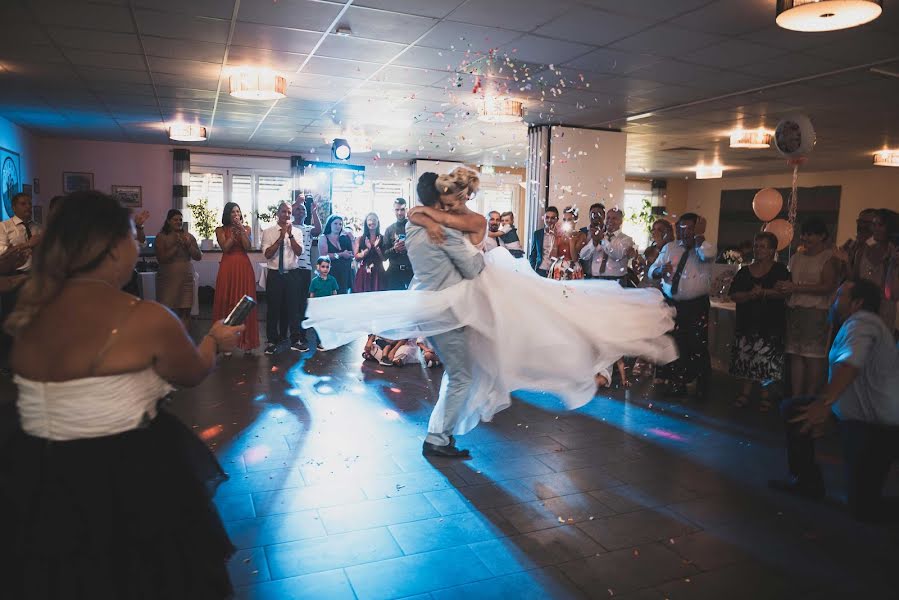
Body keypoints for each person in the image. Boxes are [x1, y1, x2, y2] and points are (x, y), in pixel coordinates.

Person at [304, 170, 678, 452]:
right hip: (450, 308)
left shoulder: (415, 227)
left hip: (436, 303)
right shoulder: (441, 231)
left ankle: (445, 428)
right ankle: (438, 436)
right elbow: (472, 268)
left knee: (468, 368)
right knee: (465, 373)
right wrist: (487, 257)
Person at [0, 191, 244, 598]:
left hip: (38, 475)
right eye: (134, 234)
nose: (139, 243)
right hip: (125, 477)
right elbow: (194, 372)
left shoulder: (27, 309)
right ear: (112, 247)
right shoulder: (145, 317)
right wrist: (216, 339)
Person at [770, 279, 899, 522]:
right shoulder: (857, 323)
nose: (833, 300)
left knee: (864, 508)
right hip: (856, 417)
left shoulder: (862, 322)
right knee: (794, 409)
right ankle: (807, 482)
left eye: (840, 295)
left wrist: (824, 404)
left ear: (857, 303)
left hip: (878, 428)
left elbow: (850, 363)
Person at [649, 213, 716, 399]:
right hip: (673, 304)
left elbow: (707, 255)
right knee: (676, 344)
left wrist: (699, 238)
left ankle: (703, 385)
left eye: (688, 228)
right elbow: (651, 270)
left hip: (696, 305)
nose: (683, 232)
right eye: (680, 228)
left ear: (697, 229)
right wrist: (660, 270)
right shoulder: (670, 247)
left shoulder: (705, 247)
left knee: (697, 344)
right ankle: (678, 382)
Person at [775, 218, 840, 397]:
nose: (805, 237)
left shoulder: (828, 258)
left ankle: (810, 397)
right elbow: (792, 283)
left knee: (813, 357)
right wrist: (784, 287)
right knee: (795, 355)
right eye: (803, 234)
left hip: (816, 313)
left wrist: (796, 287)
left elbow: (828, 287)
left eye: (810, 234)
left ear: (822, 236)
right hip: (794, 310)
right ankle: (796, 397)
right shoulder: (796, 257)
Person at [729, 232, 790, 410]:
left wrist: (764, 292)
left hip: (771, 322)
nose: (758, 249)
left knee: (767, 361)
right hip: (747, 321)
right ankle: (745, 393)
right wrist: (749, 294)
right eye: (756, 245)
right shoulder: (744, 272)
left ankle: (766, 395)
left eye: (763, 246)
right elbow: (733, 294)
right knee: (747, 359)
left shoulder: (780, 270)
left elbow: (786, 292)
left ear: (772, 250)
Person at [212, 202, 259, 354]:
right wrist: (233, 235)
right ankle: (226, 343)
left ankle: (247, 342)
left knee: (244, 303)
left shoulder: (247, 228)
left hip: (243, 267)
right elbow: (225, 247)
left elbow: (248, 247)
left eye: (238, 212)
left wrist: (242, 231)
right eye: (232, 212)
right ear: (227, 214)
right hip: (228, 267)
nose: (236, 214)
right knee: (227, 301)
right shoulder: (220, 230)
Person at [261, 202, 304, 355]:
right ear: (277, 213)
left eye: (289, 212)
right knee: (273, 309)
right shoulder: (268, 232)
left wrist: (290, 235)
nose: (286, 214)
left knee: (294, 308)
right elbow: (267, 254)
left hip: (292, 274)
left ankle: (295, 340)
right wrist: (280, 237)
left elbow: (299, 252)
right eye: (283, 211)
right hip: (275, 274)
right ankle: (272, 341)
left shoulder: (297, 232)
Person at [849, 209, 897, 332]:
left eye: (880, 225)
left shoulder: (894, 255)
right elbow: (854, 280)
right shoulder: (862, 252)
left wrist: (891, 262)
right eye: (873, 224)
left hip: (883, 309)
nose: (874, 229)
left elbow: (891, 293)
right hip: (862, 307)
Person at [154, 209, 202, 331]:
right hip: (167, 280)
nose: (179, 222)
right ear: (168, 221)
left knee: (186, 311)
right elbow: (161, 259)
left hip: (186, 279)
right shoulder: (161, 237)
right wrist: (176, 245)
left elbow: (198, 256)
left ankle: (185, 342)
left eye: (180, 219)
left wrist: (188, 245)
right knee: (168, 312)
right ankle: (168, 342)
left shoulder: (188, 236)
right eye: (175, 219)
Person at [285, 197, 322, 352]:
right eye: (297, 209)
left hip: (305, 269)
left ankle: (302, 335)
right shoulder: (289, 227)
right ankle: (293, 336)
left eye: (303, 209)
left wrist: (314, 211)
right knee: (292, 304)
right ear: (293, 211)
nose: (300, 211)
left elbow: (319, 230)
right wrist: (297, 202)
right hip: (292, 268)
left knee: (303, 303)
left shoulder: (307, 229)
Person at [580, 207, 633, 283]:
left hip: (616, 280)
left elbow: (617, 255)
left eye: (614, 218)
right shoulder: (599, 236)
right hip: (595, 279)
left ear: (620, 221)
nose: (610, 221)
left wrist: (602, 240)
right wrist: (594, 243)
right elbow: (583, 256)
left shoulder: (626, 239)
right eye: (608, 218)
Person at [318, 214, 354, 294]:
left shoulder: (344, 238)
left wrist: (352, 239)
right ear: (330, 224)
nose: (338, 226)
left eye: (340, 224)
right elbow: (323, 256)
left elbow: (354, 253)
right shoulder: (324, 237)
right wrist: (341, 254)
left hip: (345, 275)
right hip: (331, 273)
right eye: (335, 223)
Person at [309, 256, 339, 350]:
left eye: (327, 267)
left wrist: (335, 305)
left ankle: (327, 341)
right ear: (318, 267)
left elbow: (334, 292)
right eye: (323, 266)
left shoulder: (332, 280)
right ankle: (319, 342)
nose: (325, 269)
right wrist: (312, 306)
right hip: (318, 308)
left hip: (329, 307)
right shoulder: (314, 281)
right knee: (319, 326)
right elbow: (312, 294)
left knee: (328, 325)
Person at [383, 198, 414, 290]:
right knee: (394, 302)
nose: (400, 213)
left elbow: (422, 251)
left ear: (406, 210)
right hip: (394, 272)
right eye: (397, 210)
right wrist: (394, 249)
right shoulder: (389, 230)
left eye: (402, 209)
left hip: (412, 271)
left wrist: (409, 246)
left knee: (413, 301)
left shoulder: (414, 228)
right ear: (393, 210)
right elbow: (384, 256)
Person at [549, 206, 586, 280]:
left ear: (575, 220)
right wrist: (555, 239)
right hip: (558, 268)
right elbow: (552, 257)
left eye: (569, 220)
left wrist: (571, 239)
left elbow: (575, 258)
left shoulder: (581, 235)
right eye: (564, 220)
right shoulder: (558, 235)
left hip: (573, 269)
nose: (566, 222)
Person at [352, 212, 386, 292]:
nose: (372, 222)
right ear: (366, 222)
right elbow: (356, 258)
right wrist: (368, 249)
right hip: (364, 272)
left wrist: (377, 247)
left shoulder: (383, 238)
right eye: (370, 220)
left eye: (374, 220)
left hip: (379, 272)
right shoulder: (360, 239)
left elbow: (384, 258)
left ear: (378, 222)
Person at [529, 206, 558, 277]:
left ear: (557, 220)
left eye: (552, 218)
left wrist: (556, 236)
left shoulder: (561, 234)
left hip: (557, 271)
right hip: (540, 270)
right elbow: (533, 254)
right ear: (544, 218)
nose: (549, 220)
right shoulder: (537, 234)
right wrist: (532, 270)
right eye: (547, 217)